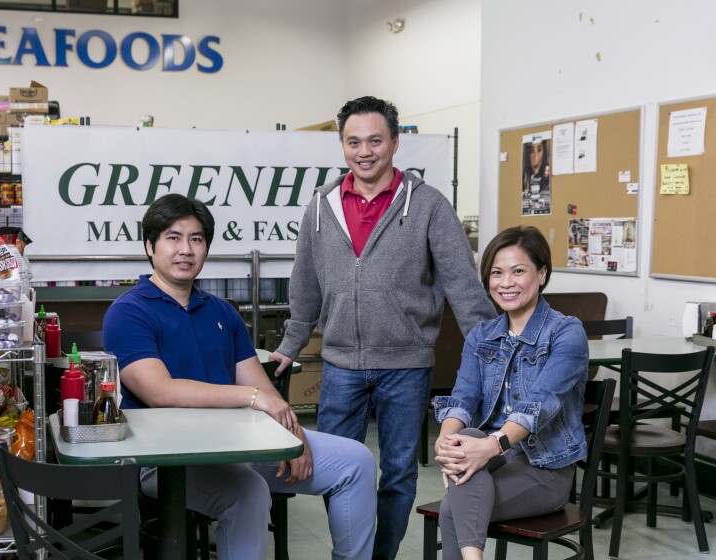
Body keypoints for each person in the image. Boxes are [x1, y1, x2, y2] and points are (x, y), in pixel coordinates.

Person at [268, 96, 496, 560]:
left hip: (406, 367)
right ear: (342, 146)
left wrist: (494, 350)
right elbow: (305, 287)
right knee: (334, 469)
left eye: (375, 140)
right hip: (340, 367)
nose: (364, 151)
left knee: (397, 475)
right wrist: (291, 344)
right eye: (353, 142)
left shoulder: (429, 205)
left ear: (395, 142)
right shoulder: (320, 208)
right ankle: (351, 553)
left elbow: (463, 286)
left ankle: (381, 556)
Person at [102, 194, 377, 560]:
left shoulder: (220, 312)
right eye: (173, 237)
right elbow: (158, 391)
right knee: (248, 492)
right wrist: (250, 398)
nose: (186, 249)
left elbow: (261, 386)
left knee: (356, 462)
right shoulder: (128, 312)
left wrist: (292, 435)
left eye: (196, 239)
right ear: (150, 246)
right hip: (168, 462)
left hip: (241, 444)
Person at [433, 225, 589, 560]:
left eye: (519, 271)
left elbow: (540, 404)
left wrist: (490, 446)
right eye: (497, 273)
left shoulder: (566, 332)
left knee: (452, 508)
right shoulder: (482, 334)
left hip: (545, 467)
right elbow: (463, 397)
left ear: (542, 274)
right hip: (495, 457)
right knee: (466, 436)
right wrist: (446, 442)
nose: (506, 283)